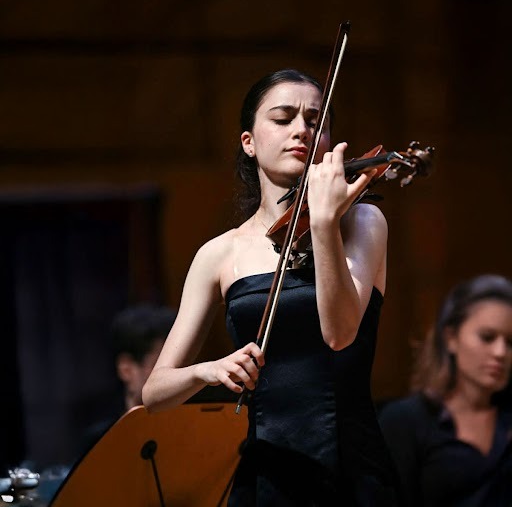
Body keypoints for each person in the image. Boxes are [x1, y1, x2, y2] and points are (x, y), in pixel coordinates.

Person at [142, 69, 399, 505]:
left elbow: (340, 333)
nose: (302, 130)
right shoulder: (219, 254)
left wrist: (324, 223)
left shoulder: (361, 223)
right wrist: (209, 370)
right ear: (249, 142)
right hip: (266, 478)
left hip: (353, 470)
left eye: (315, 121)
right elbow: (155, 393)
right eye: (283, 118)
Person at [379, 274, 512, 506]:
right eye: (487, 337)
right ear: (451, 338)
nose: (501, 352)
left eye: (511, 343)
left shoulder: (507, 417)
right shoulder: (406, 419)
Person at [80, 303, 177, 452]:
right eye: (159, 365)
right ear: (126, 370)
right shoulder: (99, 443)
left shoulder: (192, 432)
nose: (174, 375)